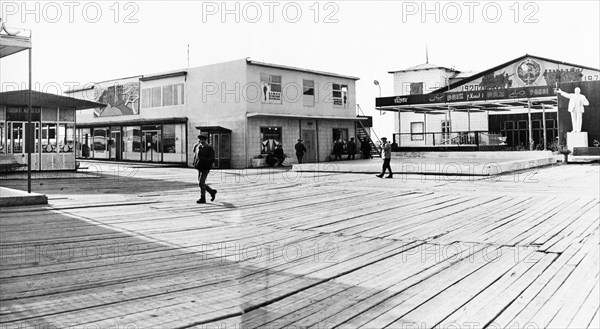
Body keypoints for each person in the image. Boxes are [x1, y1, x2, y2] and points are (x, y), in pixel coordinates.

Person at [193, 135, 217, 204]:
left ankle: (203, 198)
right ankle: (212, 192)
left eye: (203, 140)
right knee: (201, 183)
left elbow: (212, 159)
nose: (201, 141)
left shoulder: (209, 148)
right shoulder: (198, 147)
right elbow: (195, 154)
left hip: (206, 167)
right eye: (200, 140)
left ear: (205, 140)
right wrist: (194, 162)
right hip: (199, 167)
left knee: (201, 183)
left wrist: (203, 160)